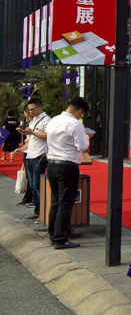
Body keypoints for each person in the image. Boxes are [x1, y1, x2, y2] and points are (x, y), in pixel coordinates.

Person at [46, 96, 90, 250]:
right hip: (67, 165)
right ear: (80, 111)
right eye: (82, 114)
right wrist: (87, 137)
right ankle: (61, 239)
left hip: (52, 163)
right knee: (65, 202)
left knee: (56, 201)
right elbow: (82, 146)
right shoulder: (75, 124)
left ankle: (53, 234)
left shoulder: (53, 120)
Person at [14, 98, 50, 220]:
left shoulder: (46, 120)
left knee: (37, 185)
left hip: (39, 156)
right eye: (29, 110)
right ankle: (37, 211)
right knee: (32, 186)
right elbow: (31, 141)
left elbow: (47, 136)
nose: (30, 112)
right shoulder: (33, 121)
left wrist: (32, 133)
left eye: (32, 109)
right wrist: (21, 149)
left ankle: (42, 212)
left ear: (40, 107)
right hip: (30, 155)